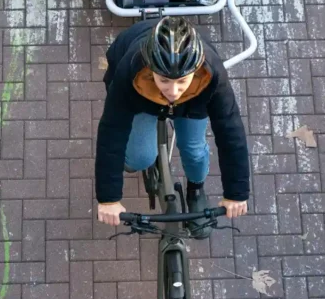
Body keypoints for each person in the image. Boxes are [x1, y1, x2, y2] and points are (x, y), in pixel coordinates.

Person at [95, 16, 250, 236]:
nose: (174, 91)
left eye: (182, 81)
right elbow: (112, 131)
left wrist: (236, 192)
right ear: (150, 70)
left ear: (196, 71)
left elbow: (230, 132)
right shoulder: (130, 70)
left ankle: (196, 189)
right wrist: (108, 197)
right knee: (139, 158)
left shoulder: (212, 75)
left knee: (194, 152)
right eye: (165, 80)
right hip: (141, 97)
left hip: (194, 102)